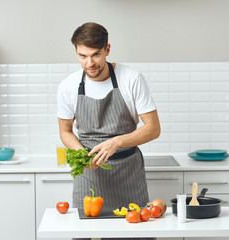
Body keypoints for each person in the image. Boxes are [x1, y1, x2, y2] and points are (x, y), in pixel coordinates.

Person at [57, 22, 160, 240]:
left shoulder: (131, 78)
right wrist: (82, 153)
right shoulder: (68, 86)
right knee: (85, 234)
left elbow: (153, 128)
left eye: (95, 54)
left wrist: (118, 141)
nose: (90, 63)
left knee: (136, 234)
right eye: (82, 56)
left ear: (108, 49)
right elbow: (65, 131)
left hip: (128, 172)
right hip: (90, 173)